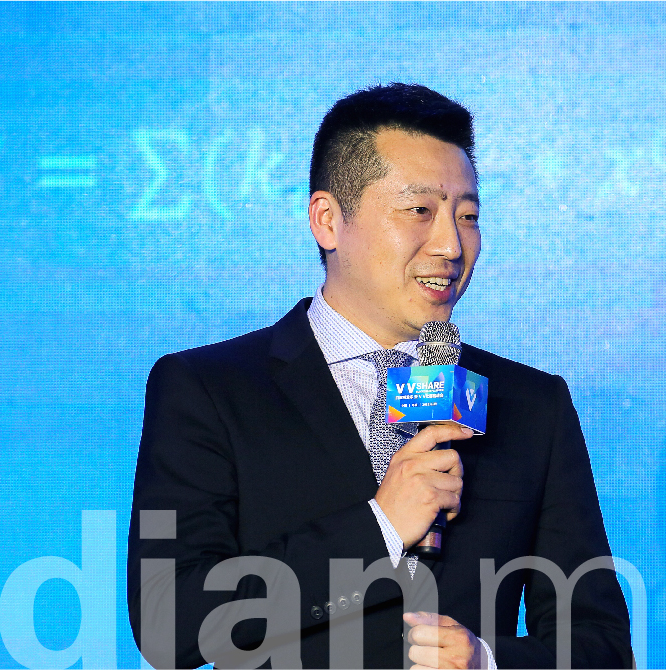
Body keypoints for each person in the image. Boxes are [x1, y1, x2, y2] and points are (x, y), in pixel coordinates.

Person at [127, 83, 633, 669]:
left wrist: (488, 661)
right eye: (420, 211)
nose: (451, 245)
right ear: (328, 221)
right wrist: (381, 526)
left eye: (467, 216)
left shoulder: (531, 404)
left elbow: (600, 647)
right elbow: (168, 624)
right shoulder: (209, 388)